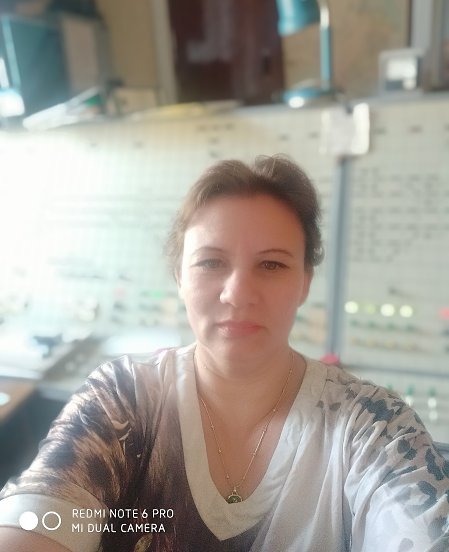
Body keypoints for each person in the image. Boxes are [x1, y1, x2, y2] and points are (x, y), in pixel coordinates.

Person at [0, 155, 448, 552]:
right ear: (180, 277)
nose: (237, 294)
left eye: (271, 264)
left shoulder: (374, 428)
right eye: (211, 262)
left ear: (304, 282)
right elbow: (41, 520)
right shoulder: (121, 401)